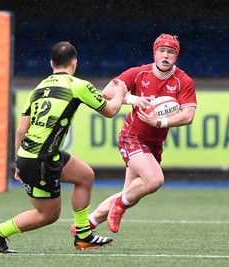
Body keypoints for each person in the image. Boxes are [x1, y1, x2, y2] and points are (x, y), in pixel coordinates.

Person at [0, 41, 127, 253]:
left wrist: (18, 162)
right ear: (74, 63)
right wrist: (121, 91)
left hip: (33, 155)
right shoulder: (77, 85)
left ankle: (83, 235)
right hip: (41, 158)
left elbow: (21, 131)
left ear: (51, 63)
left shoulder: (38, 89)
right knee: (48, 215)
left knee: (85, 175)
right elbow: (111, 111)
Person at [70, 33, 197, 235]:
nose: (165, 55)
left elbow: (188, 115)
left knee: (130, 193)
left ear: (176, 56)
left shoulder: (184, 81)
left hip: (154, 143)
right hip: (132, 137)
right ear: (154, 54)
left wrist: (159, 121)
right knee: (154, 180)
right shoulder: (138, 73)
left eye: (170, 52)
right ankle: (118, 206)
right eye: (161, 51)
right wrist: (133, 99)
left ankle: (84, 226)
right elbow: (108, 92)